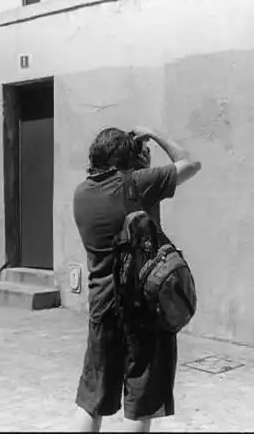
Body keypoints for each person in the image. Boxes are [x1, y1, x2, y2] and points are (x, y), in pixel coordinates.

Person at [71, 125, 202, 432]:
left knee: (91, 401)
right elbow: (191, 163)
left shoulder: (81, 193)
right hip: (142, 309)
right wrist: (153, 134)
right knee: (141, 404)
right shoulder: (137, 183)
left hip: (102, 307)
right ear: (126, 159)